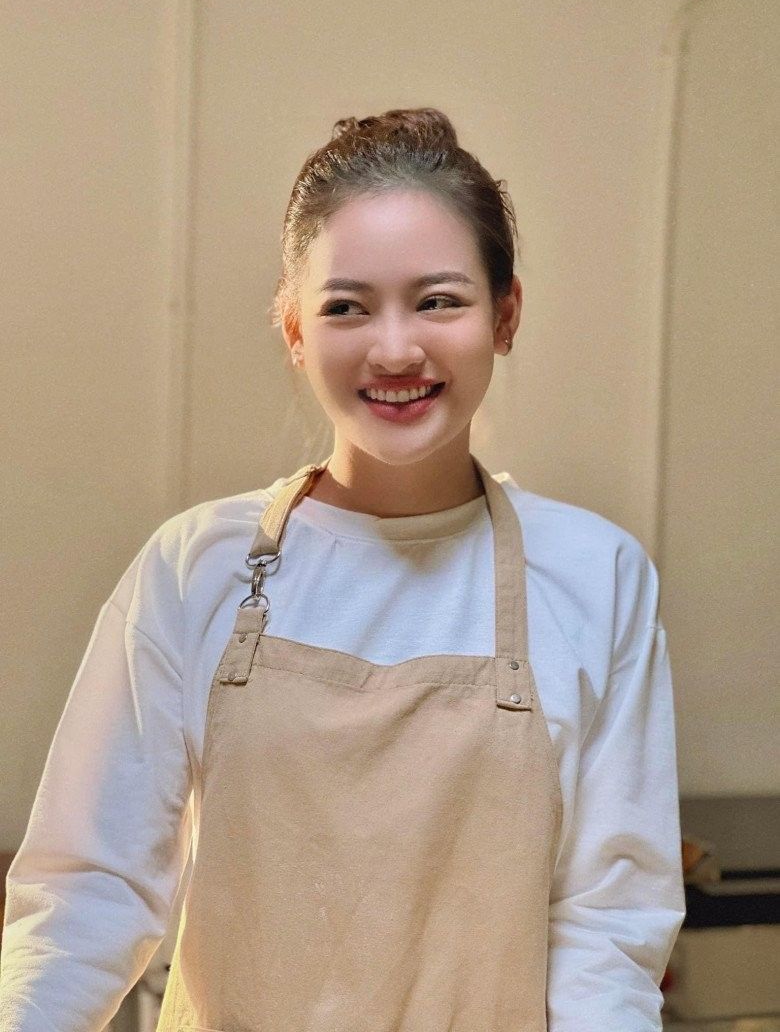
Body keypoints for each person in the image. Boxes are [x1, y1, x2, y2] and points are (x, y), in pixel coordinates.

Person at [0, 107, 685, 1031]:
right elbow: (89, 893)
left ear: (506, 313)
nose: (395, 349)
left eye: (438, 301)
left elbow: (608, 926)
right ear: (293, 325)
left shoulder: (596, 576)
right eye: (346, 307)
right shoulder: (194, 569)